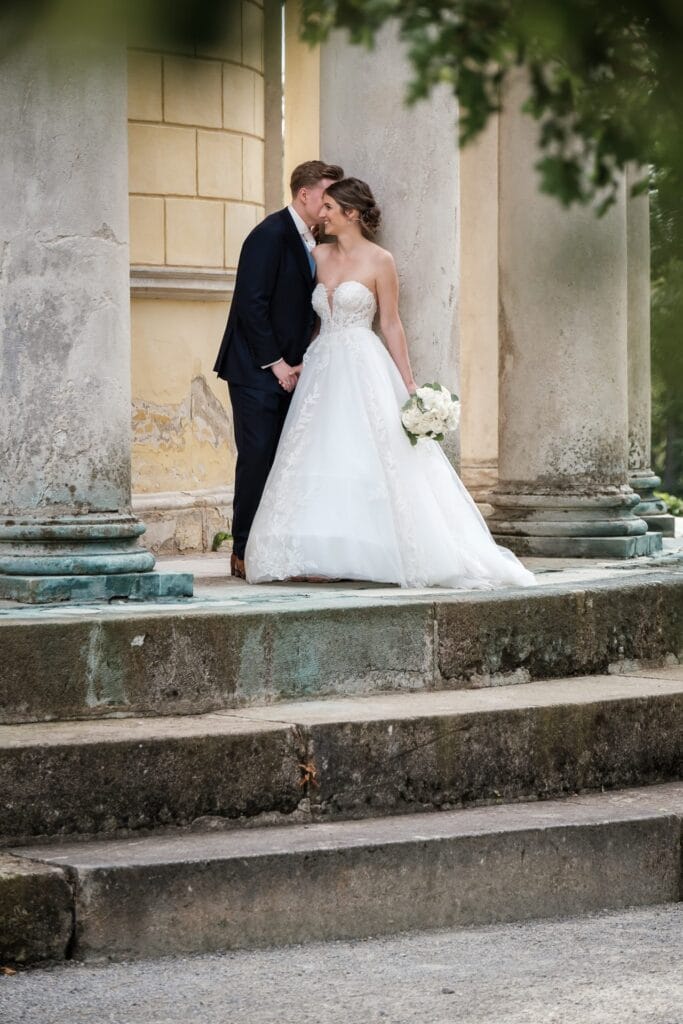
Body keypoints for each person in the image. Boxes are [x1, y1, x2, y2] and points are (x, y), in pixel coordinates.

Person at [245, 178, 536, 590]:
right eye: (321, 206)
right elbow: (306, 318)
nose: (321, 214)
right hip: (321, 363)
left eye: (329, 207)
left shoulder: (381, 261)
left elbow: (391, 323)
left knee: (368, 453)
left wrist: (409, 384)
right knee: (317, 451)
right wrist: (291, 361)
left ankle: (376, 551)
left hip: (363, 362)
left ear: (352, 213)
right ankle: (317, 553)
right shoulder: (317, 254)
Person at [213, 160, 344, 578]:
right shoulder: (268, 234)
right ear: (304, 193)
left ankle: (277, 547)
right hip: (255, 369)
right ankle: (242, 550)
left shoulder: (315, 241)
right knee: (256, 458)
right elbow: (251, 304)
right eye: (325, 197)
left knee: (284, 461)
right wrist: (278, 364)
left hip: (294, 370)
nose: (328, 207)